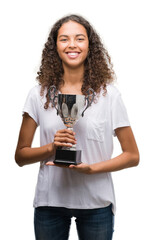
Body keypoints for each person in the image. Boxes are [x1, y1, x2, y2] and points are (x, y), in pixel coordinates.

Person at [15, 14, 139, 240]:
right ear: (55, 47)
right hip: (49, 203)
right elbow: (20, 156)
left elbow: (132, 155)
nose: (72, 44)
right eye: (64, 39)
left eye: (79, 38)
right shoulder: (38, 94)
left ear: (90, 45)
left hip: (96, 203)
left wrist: (91, 169)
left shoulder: (109, 95)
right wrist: (51, 147)